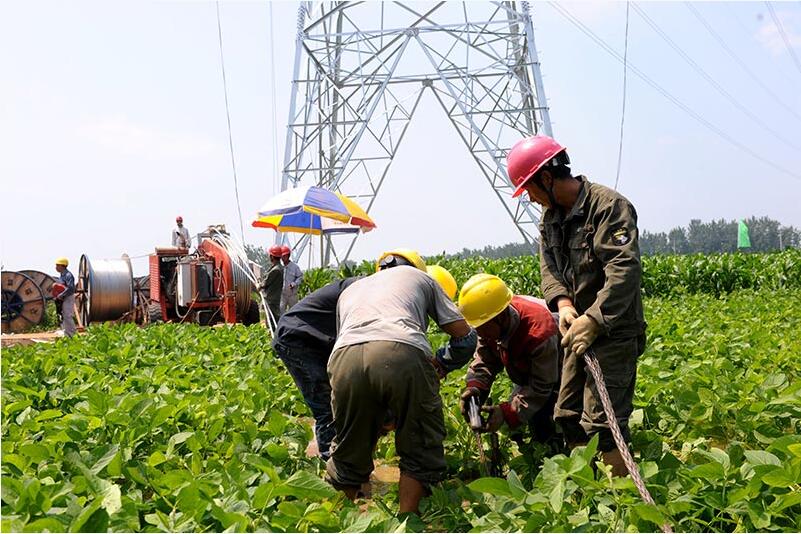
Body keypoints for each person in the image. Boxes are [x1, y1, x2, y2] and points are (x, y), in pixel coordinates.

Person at [506, 135, 646, 476]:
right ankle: (591, 491)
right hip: (576, 328)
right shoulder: (550, 218)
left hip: (613, 329)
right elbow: (549, 269)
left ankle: (621, 499)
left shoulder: (608, 207)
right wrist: (565, 305)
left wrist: (594, 320)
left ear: (547, 178)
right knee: (567, 414)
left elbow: (624, 269)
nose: (530, 198)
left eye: (529, 189)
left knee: (603, 424)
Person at [325, 249, 477, 514]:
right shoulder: (420, 278)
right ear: (415, 267)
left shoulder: (351, 290)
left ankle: (335, 522)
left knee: (349, 446)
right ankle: (407, 522)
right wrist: (441, 364)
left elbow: (357, 345)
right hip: (401, 349)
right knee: (420, 445)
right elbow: (464, 337)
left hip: (344, 359)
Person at [457, 273, 563, 451]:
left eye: (482, 327)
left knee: (552, 420)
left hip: (560, 367)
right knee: (526, 420)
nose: (480, 333)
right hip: (528, 371)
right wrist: (475, 388)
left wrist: (506, 413)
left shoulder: (539, 331)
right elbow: (485, 359)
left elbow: (541, 385)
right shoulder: (489, 323)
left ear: (500, 317)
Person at [272, 276, 360, 460]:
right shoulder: (361, 288)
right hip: (297, 338)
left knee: (338, 397)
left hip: (316, 340)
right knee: (324, 402)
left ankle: (343, 454)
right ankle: (331, 461)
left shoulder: (368, 287)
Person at [259, 245, 284, 330]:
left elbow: (265, 283)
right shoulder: (278, 268)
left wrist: (259, 285)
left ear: (272, 256)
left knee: (271, 320)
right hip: (274, 298)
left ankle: (273, 333)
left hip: (271, 299)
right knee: (274, 318)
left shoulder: (275, 270)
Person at [54, 257, 76, 337]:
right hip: (63, 298)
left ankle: (72, 334)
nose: (56, 267)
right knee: (63, 315)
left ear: (62, 266)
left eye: (57, 265)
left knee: (68, 315)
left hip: (68, 297)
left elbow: (71, 288)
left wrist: (61, 295)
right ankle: (67, 333)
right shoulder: (62, 275)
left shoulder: (68, 275)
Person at [279, 245, 304, 314]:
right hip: (283, 295)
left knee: (293, 312)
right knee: (281, 311)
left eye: (284, 256)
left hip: (292, 295)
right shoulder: (281, 267)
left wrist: (294, 284)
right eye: (282, 256)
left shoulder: (295, 267)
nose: (283, 258)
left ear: (288, 256)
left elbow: (300, 277)